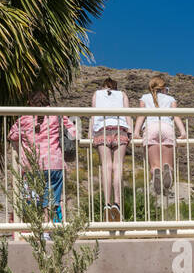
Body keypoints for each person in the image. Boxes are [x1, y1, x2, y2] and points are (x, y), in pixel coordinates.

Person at [9, 91, 76, 226]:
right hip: (54, 164)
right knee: (53, 200)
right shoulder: (57, 115)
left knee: (33, 201)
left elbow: (12, 135)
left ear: (30, 103)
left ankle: (39, 230)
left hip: (31, 166)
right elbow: (73, 130)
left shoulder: (24, 119)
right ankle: (51, 229)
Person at [134, 75, 186, 199]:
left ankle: (155, 171)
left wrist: (136, 133)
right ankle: (168, 169)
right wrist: (183, 132)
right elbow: (176, 116)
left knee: (154, 166)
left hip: (151, 128)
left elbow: (141, 116)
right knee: (168, 164)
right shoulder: (171, 99)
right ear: (163, 88)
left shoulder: (145, 98)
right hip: (167, 128)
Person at [91, 77, 131, 221]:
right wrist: (131, 132)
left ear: (103, 86)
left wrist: (91, 135)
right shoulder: (122, 95)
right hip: (120, 129)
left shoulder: (97, 94)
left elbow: (93, 116)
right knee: (117, 166)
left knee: (106, 167)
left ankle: (106, 203)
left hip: (102, 130)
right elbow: (127, 115)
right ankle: (117, 203)